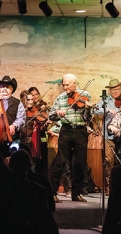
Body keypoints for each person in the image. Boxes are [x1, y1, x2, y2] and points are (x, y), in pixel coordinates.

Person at [48, 73, 92, 203]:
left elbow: (88, 118)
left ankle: (76, 193)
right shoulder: (60, 98)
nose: (65, 87)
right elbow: (51, 116)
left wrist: (88, 109)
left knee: (79, 163)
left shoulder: (85, 95)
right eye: (63, 85)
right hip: (66, 130)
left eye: (67, 85)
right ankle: (52, 192)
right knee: (60, 161)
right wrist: (57, 113)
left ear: (75, 84)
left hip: (80, 131)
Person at [94, 78, 121, 194]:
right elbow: (96, 110)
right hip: (108, 134)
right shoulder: (105, 100)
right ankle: (108, 186)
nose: (116, 92)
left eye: (118, 89)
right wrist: (107, 110)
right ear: (110, 90)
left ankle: (120, 184)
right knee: (108, 160)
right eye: (113, 90)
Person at [28, 86, 51, 177]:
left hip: (41, 137)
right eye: (32, 95)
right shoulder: (28, 107)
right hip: (32, 137)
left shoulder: (42, 105)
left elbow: (44, 120)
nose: (35, 97)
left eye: (37, 94)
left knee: (42, 160)